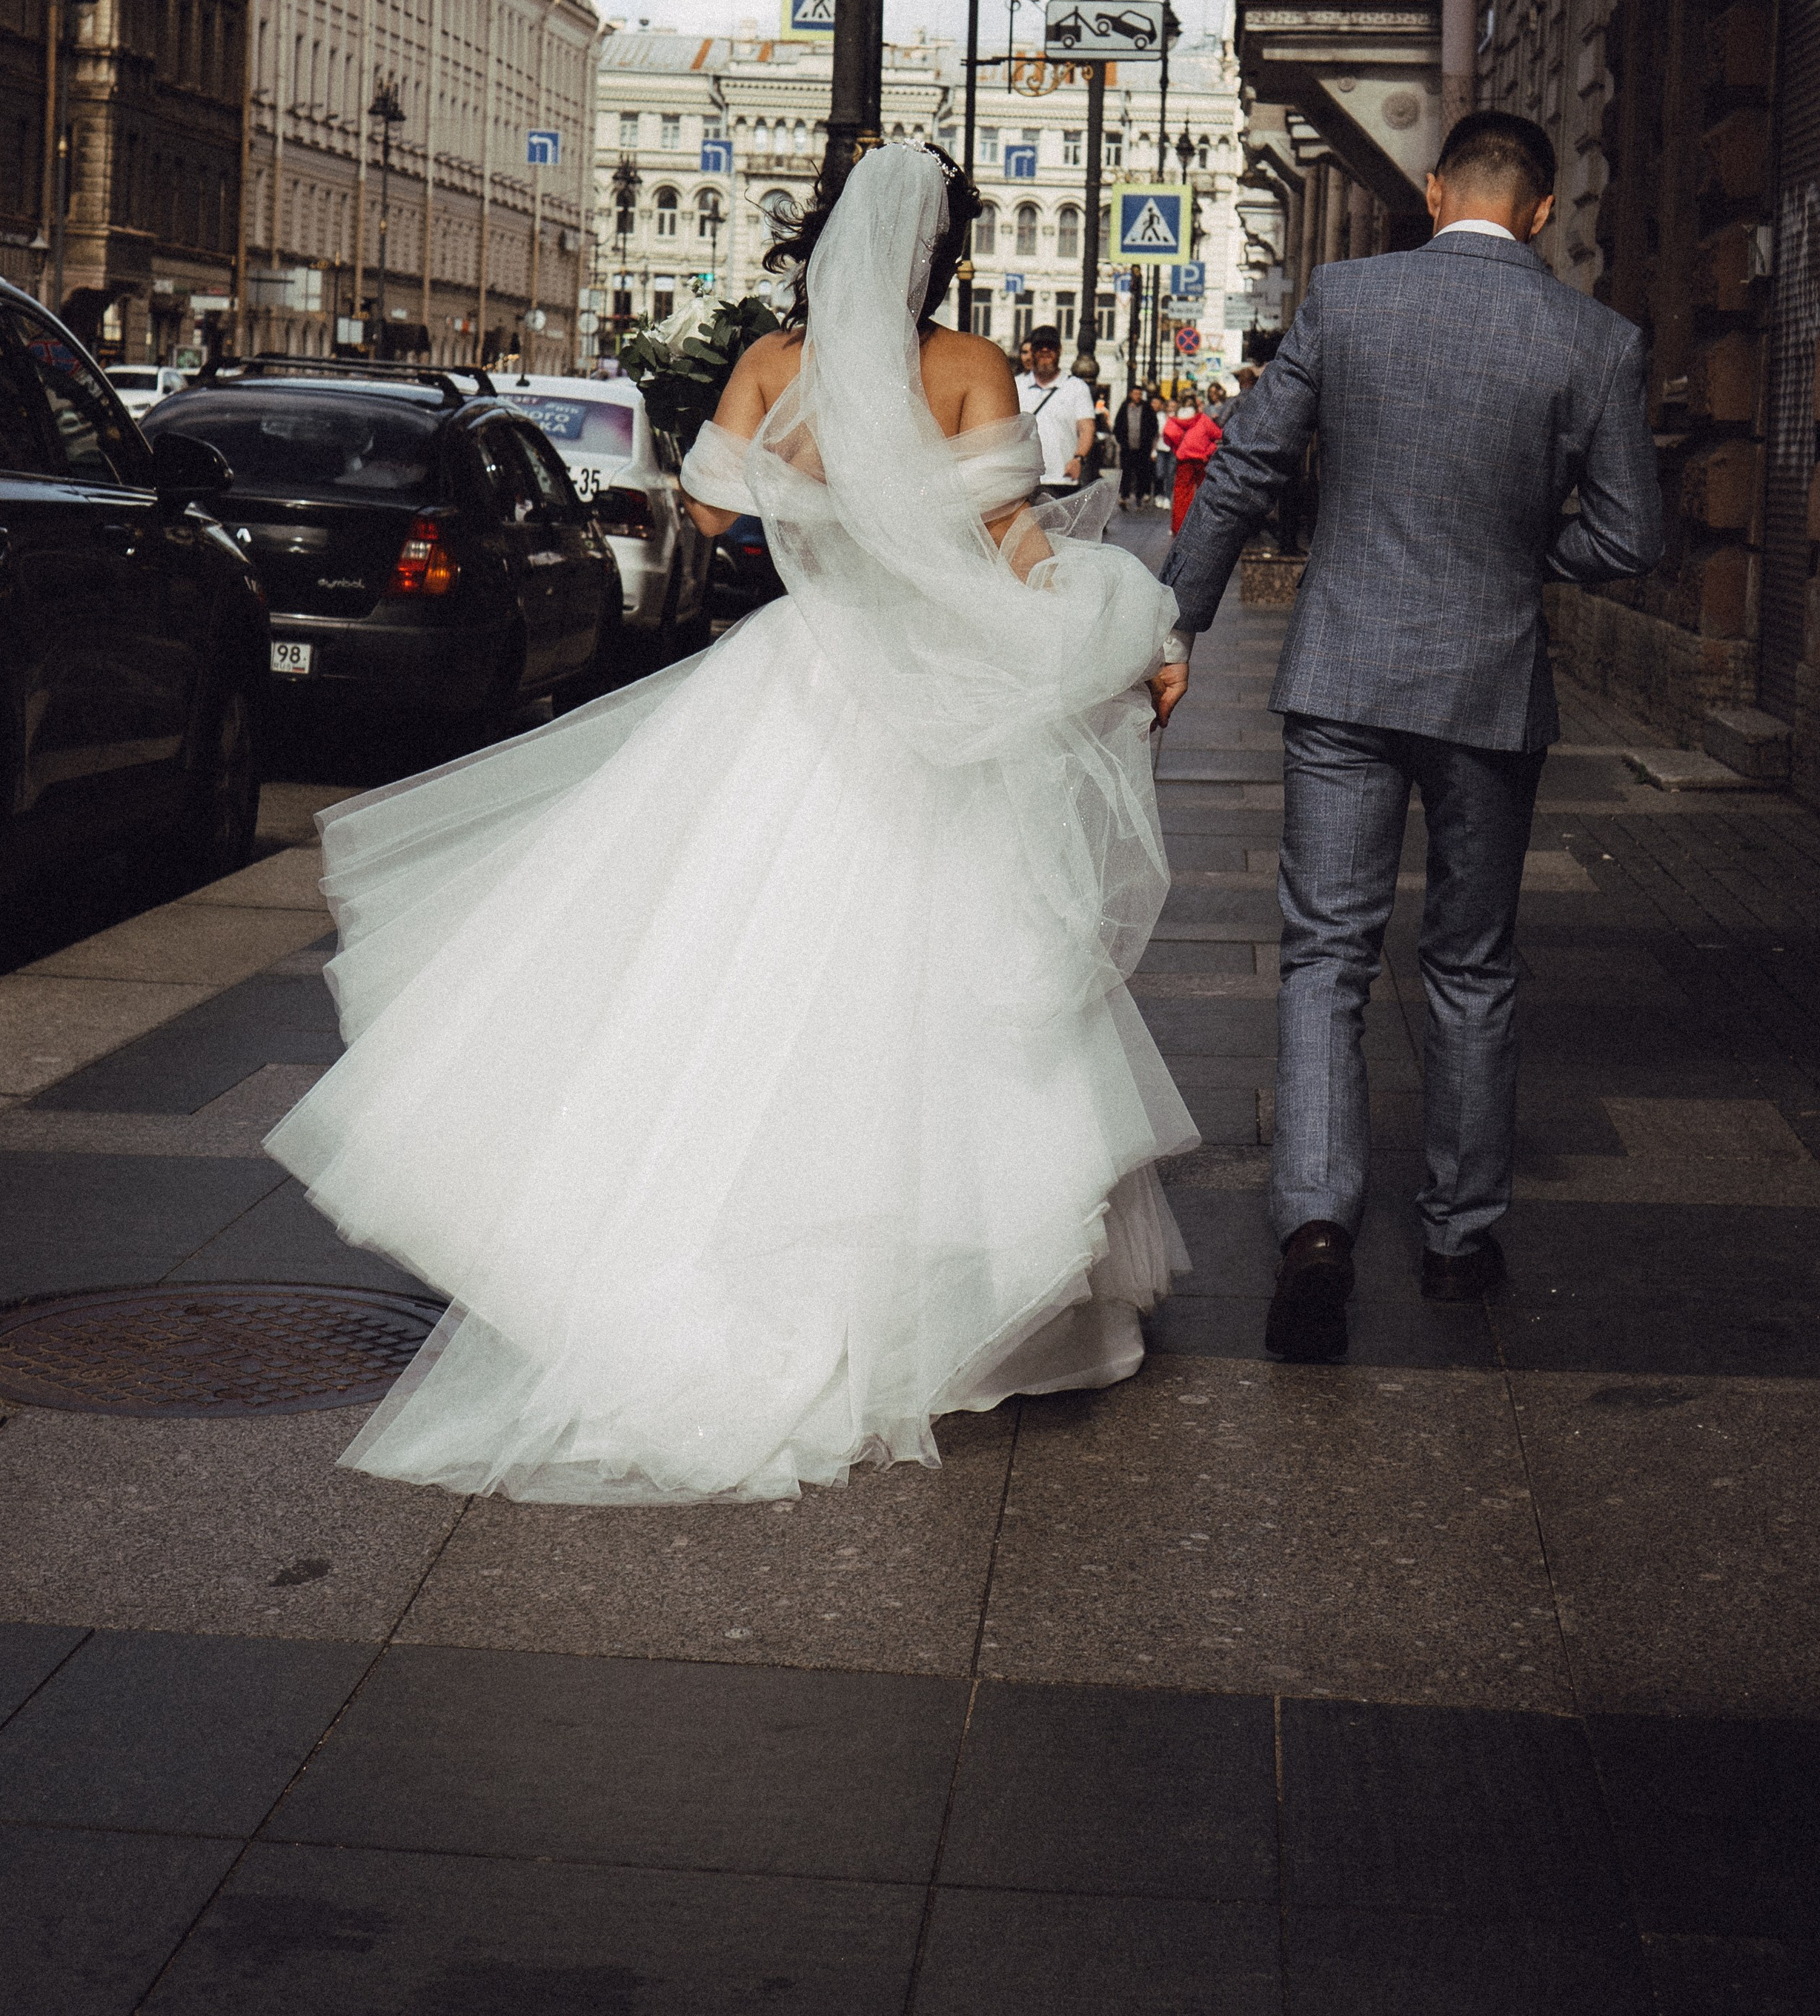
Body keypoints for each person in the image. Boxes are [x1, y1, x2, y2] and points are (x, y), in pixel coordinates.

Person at [265, 142, 1196, 1506]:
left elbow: (707, 512)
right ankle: (944, 1297)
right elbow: (1014, 540)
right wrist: (1119, 625)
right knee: (938, 973)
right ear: (943, 257)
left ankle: (714, 1253)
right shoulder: (966, 370)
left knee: (733, 958)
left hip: (801, 676)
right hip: (926, 687)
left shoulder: (773, 364)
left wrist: (809, 478)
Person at [1161, 111, 1663, 1362]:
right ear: (1542, 211)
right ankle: (1456, 1237)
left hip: (1343, 676)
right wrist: (1520, 555)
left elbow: (1242, 468)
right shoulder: (1593, 340)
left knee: (1326, 956)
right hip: (1492, 689)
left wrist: (1171, 626)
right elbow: (1633, 536)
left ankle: (1317, 1229)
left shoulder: (1347, 297)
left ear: (1437, 191)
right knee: (1473, 965)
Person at [1014, 325, 1097, 493]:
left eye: (1050, 346)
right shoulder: (1016, 385)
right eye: (1039, 347)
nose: (1045, 351)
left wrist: (1078, 458)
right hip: (1024, 480)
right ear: (1032, 352)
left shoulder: (1076, 387)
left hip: (1064, 479)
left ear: (1059, 350)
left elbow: (1086, 428)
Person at [1161, 389, 1222, 533]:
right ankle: (1204, 525)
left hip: (1184, 461)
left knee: (1182, 493)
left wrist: (1178, 450)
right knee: (1204, 491)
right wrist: (1210, 449)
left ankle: (1179, 526)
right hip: (1202, 460)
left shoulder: (1174, 420)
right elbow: (1218, 435)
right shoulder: (1202, 419)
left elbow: (1168, 436)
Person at [1115, 382, 1158, 508]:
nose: (1138, 396)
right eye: (1135, 393)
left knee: (1141, 473)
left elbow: (1153, 426)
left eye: (1140, 394)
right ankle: (1124, 496)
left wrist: (1149, 441)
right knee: (1126, 472)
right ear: (1131, 394)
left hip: (1142, 448)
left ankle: (1139, 496)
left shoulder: (1147, 408)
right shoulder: (1124, 407)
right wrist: (1121, 440)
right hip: (1127, 447)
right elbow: (1118, 426)